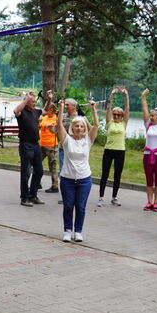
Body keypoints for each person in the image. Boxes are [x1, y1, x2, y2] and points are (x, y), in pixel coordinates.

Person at [57, 98, 100, 242]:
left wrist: (93, 109)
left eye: (82, 126)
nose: (79, 129)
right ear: (72, 128)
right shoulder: (67, 140)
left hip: (84, 179)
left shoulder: (87, 141)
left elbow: (96, 126)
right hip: (67, 179)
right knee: (68, 206)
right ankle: (68, 230)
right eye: (77, 126)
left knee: (80, 207)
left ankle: (78, 231)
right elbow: (59, 126)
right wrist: (61, 108)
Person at [15, 90, 52, 207]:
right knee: (26, 172)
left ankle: (33, 195)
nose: (35, 104)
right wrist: (26, 98)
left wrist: (49, 99)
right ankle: (24, 198)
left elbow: (45, 110)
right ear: (26, 102)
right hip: (26, 145)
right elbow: (16, 111)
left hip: (36, 145)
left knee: (39, 171)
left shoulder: (35, 112)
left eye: (35, 102)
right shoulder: (22, 112)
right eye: (32, 102)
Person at [98, 86, 129, 207]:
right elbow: (108, 108)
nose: (116, 116)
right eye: (114, 114)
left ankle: (114, 197)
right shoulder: (109, 122)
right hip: (109, 150)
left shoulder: (124, 123)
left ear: (121, 116)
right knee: (105, 174)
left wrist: (126, 95)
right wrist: (112, 95)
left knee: (117, 174)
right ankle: (101, 197)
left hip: (120, 151)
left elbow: (127, 108)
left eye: (118, 115)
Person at [39, 101, 59, 193]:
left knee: (52, 167)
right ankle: (37, 183)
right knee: (37, 164)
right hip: (42, 144)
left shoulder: (56, 119)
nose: (47, 110)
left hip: (52, 145)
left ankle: (54, 186)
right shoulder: (44, 117)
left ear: (53, 110)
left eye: (49, 108)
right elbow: (39, 125)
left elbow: (58, 129)